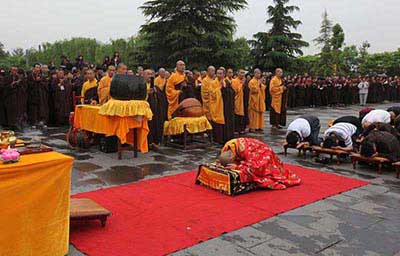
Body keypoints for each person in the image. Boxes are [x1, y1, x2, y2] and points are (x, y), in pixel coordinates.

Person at [218, 138, 301, 190]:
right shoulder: (228, 147)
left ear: (233, 158)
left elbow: (254, 167)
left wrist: (238, 167)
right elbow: (224, 158)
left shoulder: (244, 151)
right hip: (254, 151)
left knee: (256, 174)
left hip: (263, 155)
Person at [209, 68, 226, 144]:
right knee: (216, 122)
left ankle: (223, 138)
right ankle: (216, 140)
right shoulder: (212, 83)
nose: (219, 75)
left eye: (221, 73)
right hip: (216, 105)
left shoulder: (226, 82)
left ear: (223, 74)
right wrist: (220, 88)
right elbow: (212, 93)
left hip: (224, 105)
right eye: (218, 73)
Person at [231, 69, 246, 134]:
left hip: (242, 101)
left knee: (241, 115)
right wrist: (241, 84)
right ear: (238, 73)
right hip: (236, 101)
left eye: (243, 73)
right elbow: (235, 91)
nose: (242, 74)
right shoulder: (234, 81)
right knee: (236, 115)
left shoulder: (243, 81)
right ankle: (236, 130)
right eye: (241, 73)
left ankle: (241, 129)